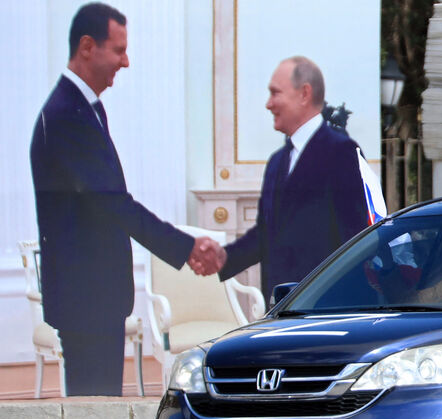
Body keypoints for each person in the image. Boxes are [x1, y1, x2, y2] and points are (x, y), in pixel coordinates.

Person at [29, 2, 223, 396]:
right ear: (87, 46)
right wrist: (185, 246)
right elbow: (114, 202)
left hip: (92, 297)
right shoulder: (68, 114)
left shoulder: (82, 108)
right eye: (118, 50)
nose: (127, 61)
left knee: (97, 412)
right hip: (87, 299)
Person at [214, 57, 369, 297]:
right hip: (280, 312)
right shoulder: (276, 162)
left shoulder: (342, 153)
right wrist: (222, 259)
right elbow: (266, 234)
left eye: (275, 93)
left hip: (324, 314)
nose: (268, 104)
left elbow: (357, 241)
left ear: (304, 94)